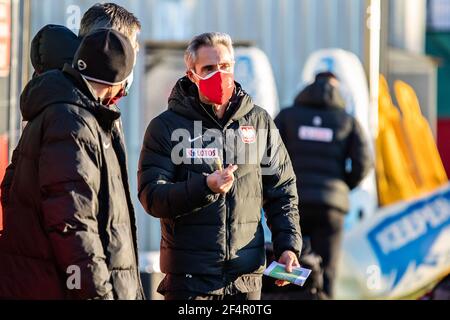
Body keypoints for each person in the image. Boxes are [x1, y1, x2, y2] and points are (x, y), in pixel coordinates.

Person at [138, 32, 302, 300]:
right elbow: (152, 196)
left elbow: (282, 191)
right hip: (190, 282)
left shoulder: (259, 121)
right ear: (192, 74)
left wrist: (288, 247)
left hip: (246, 281)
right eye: (209, 68)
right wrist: (205, 187)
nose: (220, 74)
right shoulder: (165, 127)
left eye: (225, 66)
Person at [0, 29, 143, 300]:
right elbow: (73, 222)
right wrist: (96, 293)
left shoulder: (70, 113)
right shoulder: (72, 122)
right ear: (118, 78)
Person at [275, 72, 372, 298]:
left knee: (289, 265)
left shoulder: (288, 116)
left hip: (293, 203)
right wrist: (342, 186)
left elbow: (268, 155)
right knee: (327, 271)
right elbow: (364, 162)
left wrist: (278, 187)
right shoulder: (347, 120)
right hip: (331, 208)